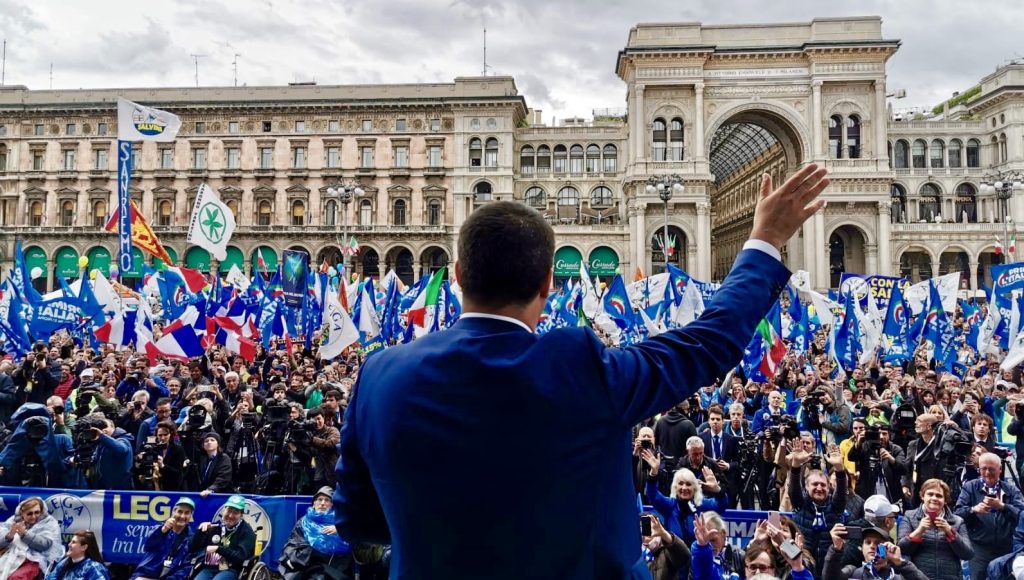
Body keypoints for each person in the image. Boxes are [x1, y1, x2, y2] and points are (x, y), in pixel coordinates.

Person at [334, 165, 828, 578]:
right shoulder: (580, 367)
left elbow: (357, 519)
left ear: (459, 273)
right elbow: (707, 343)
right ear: (549, 281)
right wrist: (764, 238)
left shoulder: (380, 375)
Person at [954, 451, 1024, 580]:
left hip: (1006, 548)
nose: (987, 473)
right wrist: (974, 510)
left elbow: (1022, 514)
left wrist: (1003, 507)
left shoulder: (1011, 490)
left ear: (1000, 470)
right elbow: (957, 514)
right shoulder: (970, 487)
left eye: (991, 469)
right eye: (983, 469)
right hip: (979, 548)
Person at [898, 478, 973, 580]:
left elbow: (968, 554)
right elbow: (902, 549)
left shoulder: (958, 521)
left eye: (939, 496)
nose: (934, 498)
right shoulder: (909, 516)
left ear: (945, 500)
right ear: (922, 496)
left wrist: (949, 531)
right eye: (930, 494)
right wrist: (919, 531)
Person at [279, 487, 354, 580]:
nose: (322, 503)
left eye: (327, 500)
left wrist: (340, 530)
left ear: (332, 504)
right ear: (314, 503)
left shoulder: (340, 523)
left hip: (332, 566)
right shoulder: (303, 522)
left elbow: (349, 544)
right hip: (306, 563)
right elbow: (293, 542)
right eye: (319, 499)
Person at [189, 495, 256, 580]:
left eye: (235, 512)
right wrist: (200, 532)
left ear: (241, 515)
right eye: (229, 511)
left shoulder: (247, 532)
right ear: (224, 510)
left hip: (232, 569)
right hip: (210, 567)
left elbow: (241, 557)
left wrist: (218, 549)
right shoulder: (215, 527)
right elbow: (192, 548)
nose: (231, 515)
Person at [823, 524, 927, 579]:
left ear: (888, 547)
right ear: (862, 549)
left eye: (877, 543)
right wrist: (835, 549)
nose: (872, 546)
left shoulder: (899, 575)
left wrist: (900, 562)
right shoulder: (853, 572)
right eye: (868, 543)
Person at [0, 497, 65, 580]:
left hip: (36, 560)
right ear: (22, 514)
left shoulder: (49, 522)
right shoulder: (14, 520)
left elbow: (45, 544)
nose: (34, 516)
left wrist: (24, 535)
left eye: (37, 512)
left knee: (16, 577)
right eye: (29, 514)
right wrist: (9, 536)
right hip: (11, 556)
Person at [131, 497, 195, 580]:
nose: (182, 516)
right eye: (180, 512)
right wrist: (163, 530)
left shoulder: (192, 539)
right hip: (145, 576)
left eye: (187, 513)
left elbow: (186, 568)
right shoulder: (159, 529)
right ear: (173, 512)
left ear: (191, 516)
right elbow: (148, 545)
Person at [43, 531, 109, 580]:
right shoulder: (63, 563)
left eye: (73, 542)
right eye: (70, 541)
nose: (69, 544)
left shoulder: (94, 568)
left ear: (84, 547)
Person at [195, 432, 234, 496]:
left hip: (221, 495)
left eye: (212, 440)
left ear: (217, 444)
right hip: (203, 494)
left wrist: (211, 489)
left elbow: (223, 478)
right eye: (206, 441)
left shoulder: (224, 458)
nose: (209, 442)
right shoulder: (201, 459)